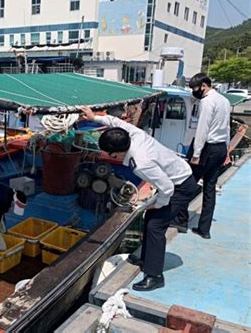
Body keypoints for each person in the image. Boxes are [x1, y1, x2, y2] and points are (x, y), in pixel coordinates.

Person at [81, 107, 197, 291]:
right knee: (150, 220)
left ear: (116, 153)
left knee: (155, 226)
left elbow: (167, 188)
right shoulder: (133, 134)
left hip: (181, 185)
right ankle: (145, 257)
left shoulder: (140, 163)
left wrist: (156, 205)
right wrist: (94, 117)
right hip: (177, 174)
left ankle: (154, 275)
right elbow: (116, 123)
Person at [171, 73, 230, 239]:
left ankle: (180, 220)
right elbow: (226, 128)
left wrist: (196, 154)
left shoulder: (206, 102)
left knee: (185, 182)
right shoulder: (224, 100)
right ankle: (205, 229)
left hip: (206, 148)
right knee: (209, 188)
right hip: (220, 148)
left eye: (195, 88)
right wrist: (226, 149)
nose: (194, 91)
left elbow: (202, 129)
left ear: (204, 85)